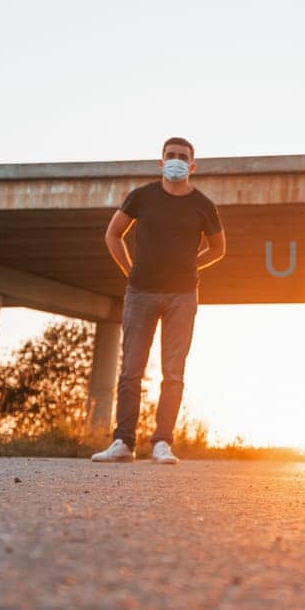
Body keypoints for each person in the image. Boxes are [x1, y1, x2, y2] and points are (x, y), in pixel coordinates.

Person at [92, 137, 225, 464]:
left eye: (183, 157)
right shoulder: (142, 197)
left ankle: (162, 442)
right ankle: (123, 442)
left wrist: (192, 264)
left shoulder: (203, 205)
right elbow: (113, 234)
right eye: (171, 155)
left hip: (183, 295)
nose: (176, 160)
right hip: (141, 293)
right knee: (131, 370)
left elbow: (219, 248)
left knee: (173, 372)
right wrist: (129, 269)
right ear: (161, 162)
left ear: (193, 166)